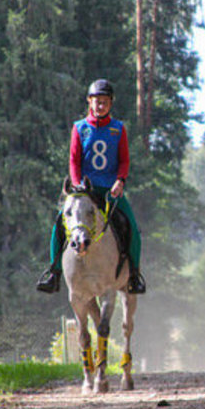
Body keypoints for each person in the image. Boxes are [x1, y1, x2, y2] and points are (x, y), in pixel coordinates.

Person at [36, 79, 146, 294]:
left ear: (110, 103)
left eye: (104, 102)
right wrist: (76, 184)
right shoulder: (79, 128)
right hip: (84, 191)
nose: (100, 106)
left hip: (110, 191)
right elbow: (74, 160)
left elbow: (124, 160)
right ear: (89, 101)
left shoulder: (118, 129)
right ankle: (54, 273)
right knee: (59, 225)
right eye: (97, 102)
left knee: (131, 227)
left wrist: (120, 181)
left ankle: (134, 275)